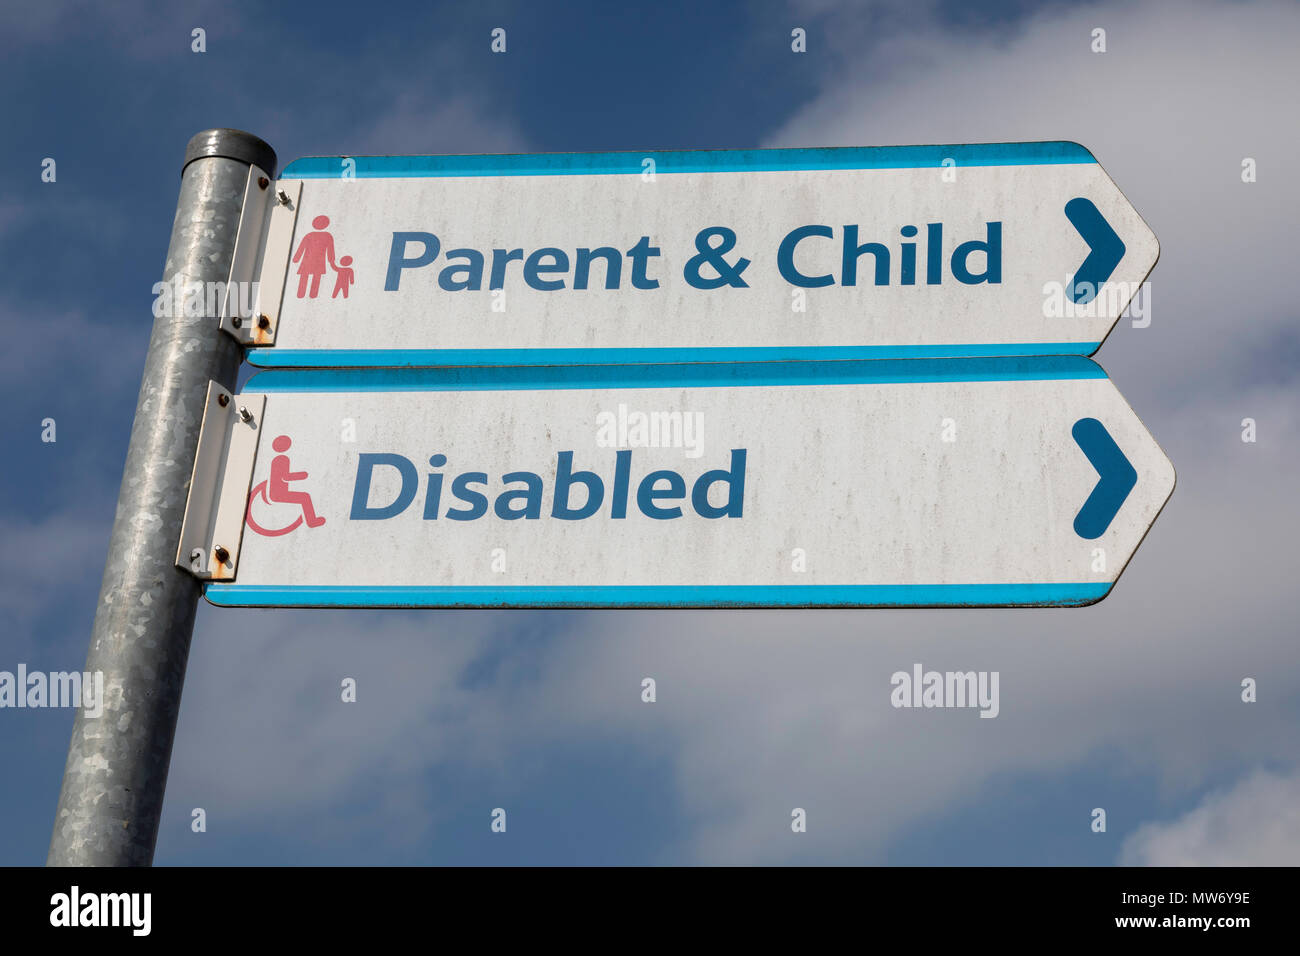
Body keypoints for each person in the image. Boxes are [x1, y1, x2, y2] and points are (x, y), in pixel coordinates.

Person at [267, 435, 326, 527]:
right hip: (278, 494)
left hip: (279, 492)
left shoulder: (279, 458)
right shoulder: (282, 459)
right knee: (304, 497)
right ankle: (311, 521)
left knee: (304, 496)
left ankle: (312, 521)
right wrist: (302, 475)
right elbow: (284, 477)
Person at [292, 215, 337, 299]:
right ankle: (311, 294)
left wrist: (296, 258)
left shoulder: (310, 235)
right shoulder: (327, 236)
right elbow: (330, 250)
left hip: (310, 260)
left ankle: (302, 294)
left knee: (306, 276)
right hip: (317, 261)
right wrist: (331, 261)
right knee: (314, 276)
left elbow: (301, 248)